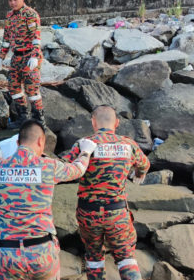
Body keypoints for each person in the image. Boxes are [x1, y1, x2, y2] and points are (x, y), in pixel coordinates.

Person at [0, 119, 96, 280]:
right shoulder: (48, 166)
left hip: (9, 255)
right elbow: (78, 169)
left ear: (17, 142)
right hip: (42, 253)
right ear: (41, 141)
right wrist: (86, 151)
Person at [60, 106, 150, 280]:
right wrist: (139, 174)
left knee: (93, 257)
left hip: (88, 212)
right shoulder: (128, 144)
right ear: (116, 123)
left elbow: (65, 169)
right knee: (126, 257)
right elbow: (144, 165)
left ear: (93, 122)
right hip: (117, 213)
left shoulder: (84, 144)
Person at [0, 0, 46, 128]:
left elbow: (36, 37)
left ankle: (39, 121)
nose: (12, 2)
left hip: (29, 56)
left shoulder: (31, 14)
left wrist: (35, 56)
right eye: (10, 0)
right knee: (13, 87)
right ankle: (23, 118)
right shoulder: (9, 16)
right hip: (16, 57)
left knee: (32, 89)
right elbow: (6, 37)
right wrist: (2, 55)